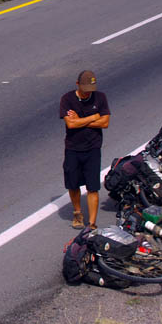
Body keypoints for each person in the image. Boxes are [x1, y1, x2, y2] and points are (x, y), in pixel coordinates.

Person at [60, 70, 110, 230]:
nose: (88, 92)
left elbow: (105, 122)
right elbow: (71, 124)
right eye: (85, 89)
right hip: (73, 148)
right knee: (73, 184)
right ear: (77, 84)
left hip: (93, 148)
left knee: (93, 187)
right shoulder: (67, 99)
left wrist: (80, 120)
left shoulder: (100, 97)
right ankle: (77, 212)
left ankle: (92, 223)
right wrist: (94, 117)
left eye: (90, 89)